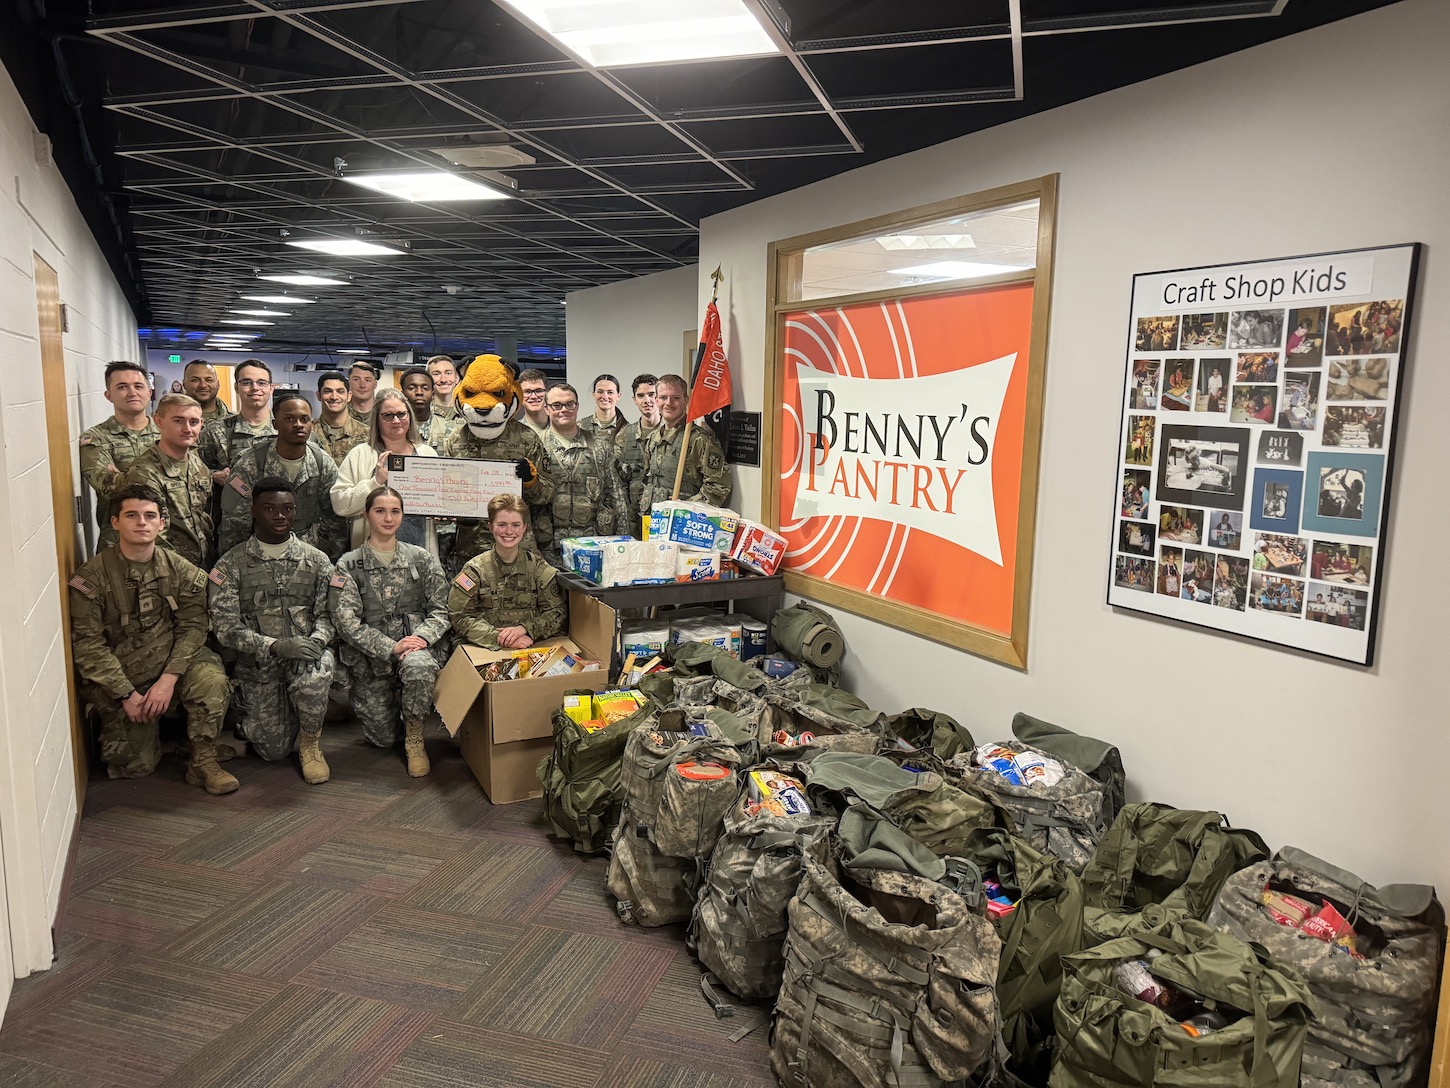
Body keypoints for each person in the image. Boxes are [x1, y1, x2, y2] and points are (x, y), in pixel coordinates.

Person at [69, 485, 236, 793]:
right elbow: (88, 645)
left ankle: (203, 760)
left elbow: (194, 626)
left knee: (210, 678)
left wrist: (168, 679)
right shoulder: (91, 578)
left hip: (172, 661)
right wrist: (124, 694)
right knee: (135, 766)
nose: (141, 523)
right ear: (116, 522)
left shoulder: (181, 570)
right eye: (132, 515)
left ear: (162, 523)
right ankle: (166, 737)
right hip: (125, 674)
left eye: (149, 516)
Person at [209, 477, 337, 783]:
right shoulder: (230, 565)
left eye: (287, 509)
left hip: (304, 658)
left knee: (314, 673)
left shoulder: (317, 561)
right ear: (254, 511)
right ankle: (293, 713)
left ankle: (310, 744)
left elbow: (330, 614)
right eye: (269, 509)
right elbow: (224, 627)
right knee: (272, 751)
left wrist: (316, 642)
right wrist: (274, 646)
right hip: (259, 667)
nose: (280, 516)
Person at [332, 487, 450, 777]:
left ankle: (415, 738)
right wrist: (390, 646)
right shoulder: (347, 565)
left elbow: (443, 608)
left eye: (395, 511)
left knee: (420, 668)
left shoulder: (421, 559)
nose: (388, 518)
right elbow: (345, 621)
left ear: (402, 515)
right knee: (383, 739)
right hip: (373, 662)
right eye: (380, 511)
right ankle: (396, 712)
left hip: (415, 650)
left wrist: (422, 638)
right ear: (366, 514)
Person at [441, 355, 555, 561]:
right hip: (471, 544)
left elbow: (547, 494)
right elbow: (446, 492)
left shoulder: (527, 438)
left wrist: (531, 482)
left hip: (516, 544)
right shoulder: (455, 440)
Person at [216, 393, 345, 558]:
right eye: (289, 419)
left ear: (311, 424)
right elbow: (234, 525)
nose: (298, 425)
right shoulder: (249, 464)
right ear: (275, 424)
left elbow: (334, 520)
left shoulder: (322, 462)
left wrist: (334, 561)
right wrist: (237, 567)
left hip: (309, 553)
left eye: (304, 419)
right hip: (261, 552)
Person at [333, 387, 441, 556]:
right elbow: (340, 504)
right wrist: (375, 482)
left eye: (401, 414)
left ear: (409, 416)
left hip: (420, 553)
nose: (396, 420)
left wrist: (441, 510)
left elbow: (439, 500)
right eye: (388, 415)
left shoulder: (427, 454)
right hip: (371, 556)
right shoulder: (360, 454)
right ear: (377, 419)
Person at [449, 493, 565, 650]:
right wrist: (497, 638)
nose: (509, 531)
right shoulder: (474, 570)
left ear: (524, 528)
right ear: (491, 527)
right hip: (485, 648)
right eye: (502, 524)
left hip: (530, 644)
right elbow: (459, 616)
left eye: (516, 525)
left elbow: (557, 612)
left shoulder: (538, 568)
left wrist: (526, 629)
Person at [116, 393, 215, 569]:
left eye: (193, 422)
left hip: (201, 566)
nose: (187, 428)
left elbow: (204, 517)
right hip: (165, 573)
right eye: (178, 421)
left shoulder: (198, 465)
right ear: (158, 421)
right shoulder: (144, 474)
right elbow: (150, 536)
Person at [536, 383, 622, 564]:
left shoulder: (600, 447)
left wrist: (623, 545)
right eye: (557, 405)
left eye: (570, 404)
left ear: (577, 407)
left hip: (593, 545)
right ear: (547, 408)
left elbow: (616, 498)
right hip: (547, 548)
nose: (564, 410)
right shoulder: (535, 446)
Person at [80, 361, 159, 550]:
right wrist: (163, 475)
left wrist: (123, 475)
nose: (132, 392)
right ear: (109, 395)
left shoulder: (168, 432)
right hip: (117, 543)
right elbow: (109, 486)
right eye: (122, 387)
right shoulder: (96, 438)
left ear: (149, 392)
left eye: (138, 386)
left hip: (171, 541)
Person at [637, 373, 732, 518]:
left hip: (684, 524)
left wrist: (687, 507)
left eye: (675, 398)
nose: (669, 403)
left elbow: (718, 486)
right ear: (656, 401)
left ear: (686, 400)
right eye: (663, 398)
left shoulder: (698, 440)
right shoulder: (653, 439)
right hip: (654, 522)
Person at [197, 359, 276, 504]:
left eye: (262, 383)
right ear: (236, 387)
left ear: (271, 388)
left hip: (279, 518)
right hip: (232, 519)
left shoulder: (286, 429)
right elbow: (194, 469)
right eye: (246, 382)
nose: (255, 388)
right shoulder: (215, 431)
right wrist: (214, 475)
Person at [614, 374, 659, 532]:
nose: (647, 400)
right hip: (634, 520)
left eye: (652, 394)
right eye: (641, 395)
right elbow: (615, 480)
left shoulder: (673, 435)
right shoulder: (625, 435)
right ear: (634, 400)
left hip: (664, 517)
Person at [314, 370, 369, 464]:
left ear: (349, 396)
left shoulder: (367, 434)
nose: (334, 397)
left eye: (340, 391)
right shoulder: (308, 433)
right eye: (328, 391)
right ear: (319, 395)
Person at [401, 366, 450, 448]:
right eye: (412, 388)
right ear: (402, 394)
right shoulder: (395, 426)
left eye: (425, 388)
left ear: (433, 393)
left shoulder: (448, 427)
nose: (419, 392)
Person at [581, 373, 627, 440]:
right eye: (600, 392)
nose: (605, 397)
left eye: (610, 392)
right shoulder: (580, 427)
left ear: (618, 396)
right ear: (594, 395)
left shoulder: (628, 430)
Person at [426, 355, 461, 422]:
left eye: (448, 373)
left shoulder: (468, 411)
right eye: (436, 374)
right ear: (427, 380)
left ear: (456, 378)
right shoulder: (421, 411)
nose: (443, 380)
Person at [517, 368, 550, 433]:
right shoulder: (512, 432)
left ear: (547, 392)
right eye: (527, 392)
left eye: (539, 391)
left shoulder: (561, 428)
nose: (533, 396)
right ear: (520, 395)